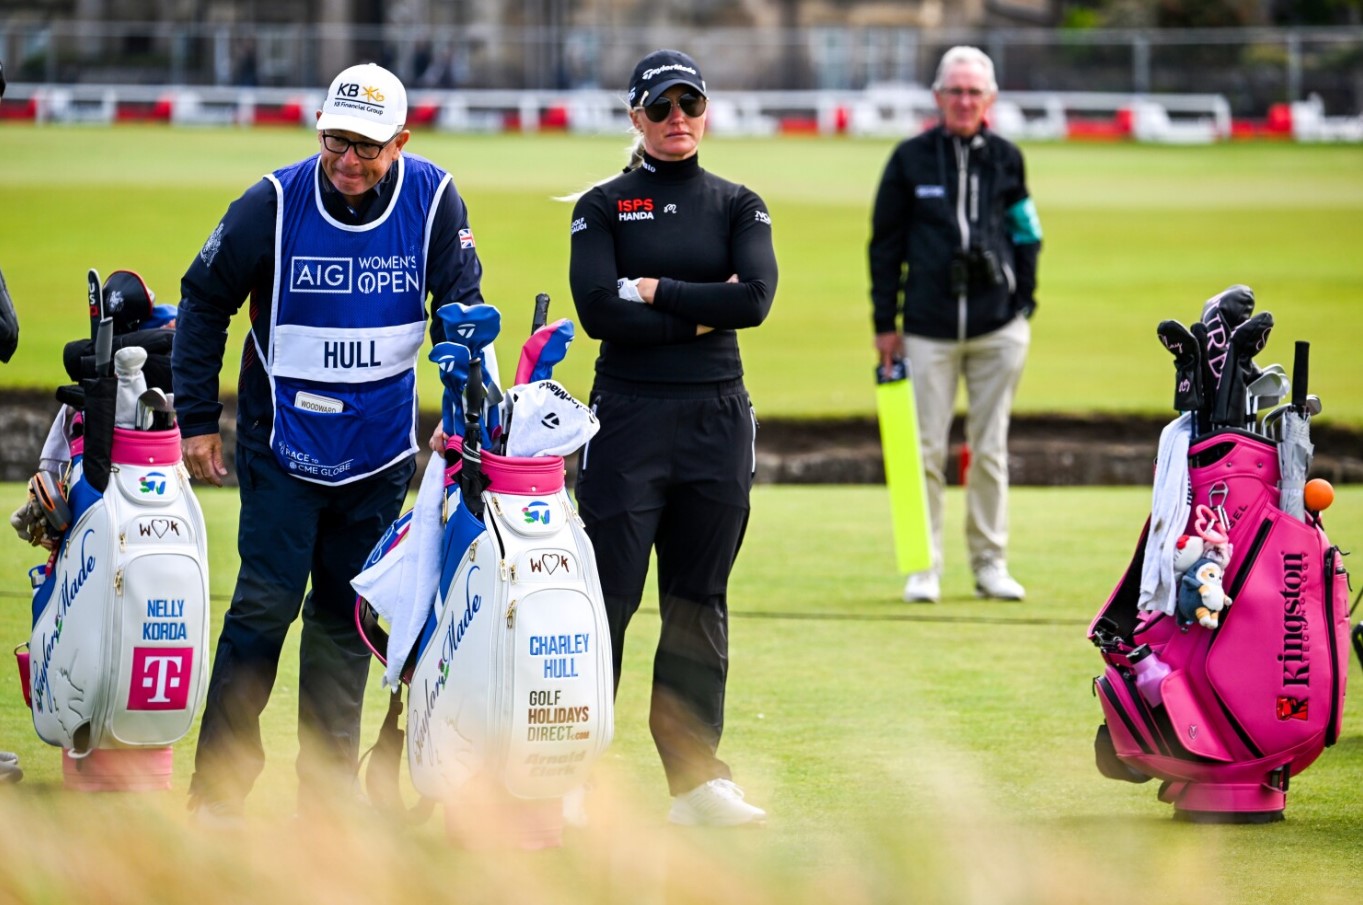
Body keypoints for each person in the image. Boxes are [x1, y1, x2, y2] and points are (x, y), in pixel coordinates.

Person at [172, 62, 486, 825]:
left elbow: (462, 310)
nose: (348, 160)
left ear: (401, 141)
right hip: (282, 445)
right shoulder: (271, 202)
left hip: (379, 453)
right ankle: (218, 794)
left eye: (367, 147)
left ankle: (326, 799)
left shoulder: (434, 197)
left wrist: (463, 409)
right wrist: (194, 419)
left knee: (350, 622)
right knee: (262, 609)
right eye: (335, 141)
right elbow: (202, 297)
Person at [568, 49, 777, 828]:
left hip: (716, 418)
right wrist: (703, 306)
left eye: (688, 103)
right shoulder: (602, 205)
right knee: (606, 601)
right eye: (661, 107)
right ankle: (571, 772)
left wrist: (655, 291)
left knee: (697, 602)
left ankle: (695, 784)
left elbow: (753, 300)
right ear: (636, 117)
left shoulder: (737, 203)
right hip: (626, 417)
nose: (677, 118)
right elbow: (598, 311)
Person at [868, 45, 1042, 605]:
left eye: (975, 92)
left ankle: (991, 563)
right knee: (923, 451)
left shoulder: (1007, 157)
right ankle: (924, 567)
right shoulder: (910, 159)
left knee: (990, 450)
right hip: (927, 328)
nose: (964, 101)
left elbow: (1026, 231)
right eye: (955, 91)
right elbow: (885, 245)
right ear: (939, 97)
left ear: (989, 99)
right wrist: (884, 322)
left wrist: (1024, 302)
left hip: (998, 328)